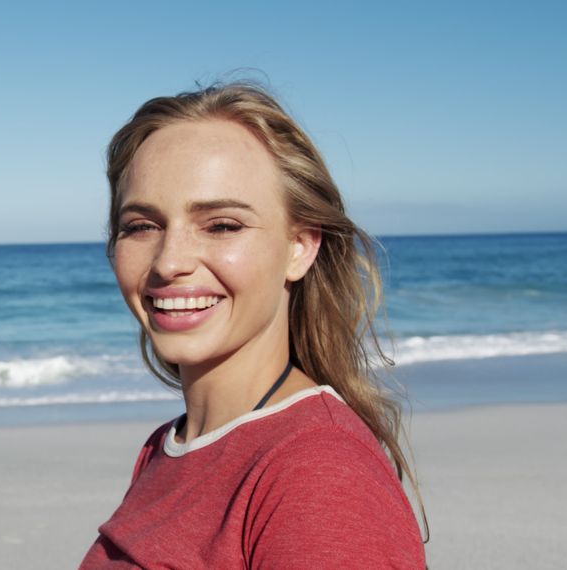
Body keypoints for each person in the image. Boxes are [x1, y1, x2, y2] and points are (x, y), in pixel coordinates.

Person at [78, 82, 429, 569]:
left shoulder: (316, 471)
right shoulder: (170, 446)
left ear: (299, 246)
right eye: (141, 226)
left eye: (222, 225)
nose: (169, 261)